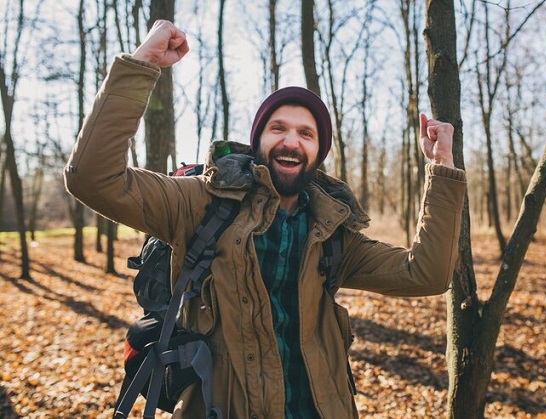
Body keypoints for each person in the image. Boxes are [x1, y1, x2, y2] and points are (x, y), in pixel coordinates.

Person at [65, 20, 466, 419]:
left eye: (306, 134)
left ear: (318, 152)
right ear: (258, 142)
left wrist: (442, 168)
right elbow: (94, 179)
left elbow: (426, 274)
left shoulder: (333, 235)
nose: (291, 141)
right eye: (278, 129)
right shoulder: (200, 203)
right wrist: (143, 63)